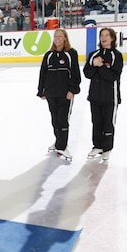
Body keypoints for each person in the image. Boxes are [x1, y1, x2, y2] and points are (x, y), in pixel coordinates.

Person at [37, 29, 82, 161]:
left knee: (63, 120)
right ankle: (58, 142)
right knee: (55, 119)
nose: (57, 38)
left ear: (65, 38)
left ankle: (62, 146)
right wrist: (41, 91)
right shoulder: (49, 55)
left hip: (65, 94)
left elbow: (75, 74)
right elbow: (43, 74)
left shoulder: (71, 54)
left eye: (60, 36)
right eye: (55, 36)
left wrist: (72, 90)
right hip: (51, 93)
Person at [83, 27, 123, 161]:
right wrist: (94, 64)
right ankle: (97, 145)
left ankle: (107, 148)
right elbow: (87, 73)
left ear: (112, 38)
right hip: (95, 96)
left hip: (110, 97)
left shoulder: (116, 55)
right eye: (102, 35)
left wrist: (101, 67)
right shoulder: (94, 54)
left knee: (108, 123)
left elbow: (113, 76)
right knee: (96, 122)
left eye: (106, 35)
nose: (104, 37)